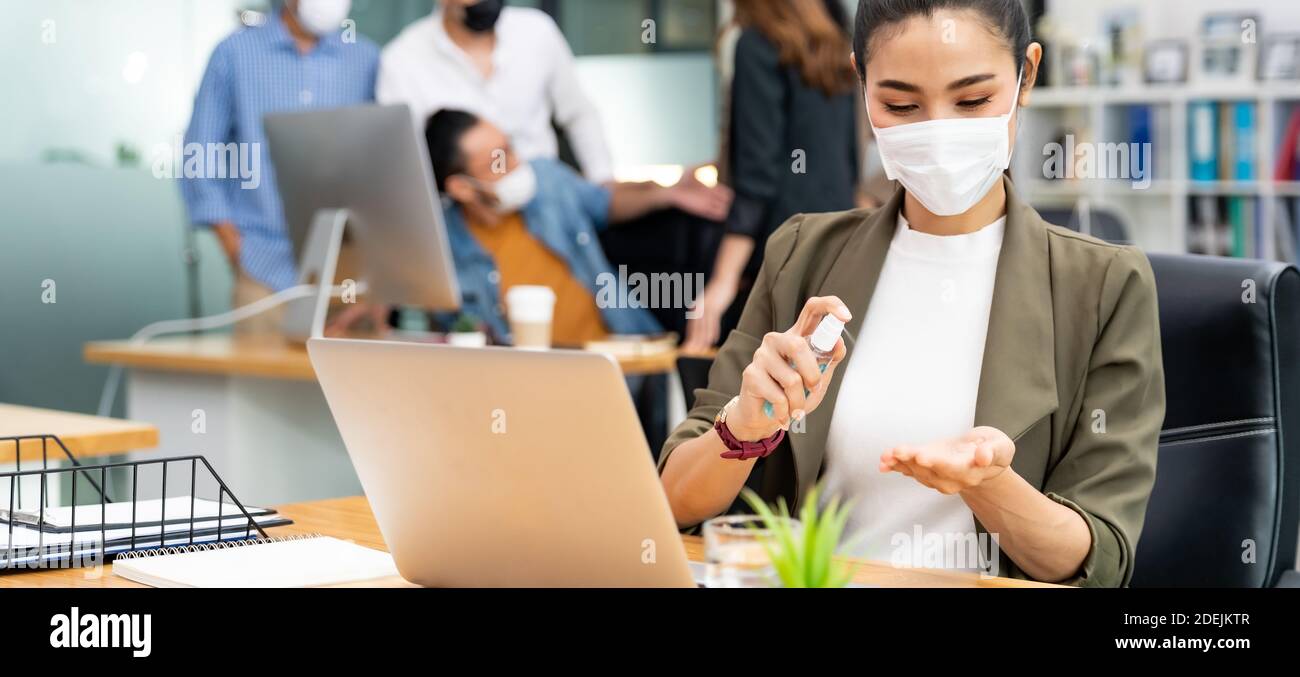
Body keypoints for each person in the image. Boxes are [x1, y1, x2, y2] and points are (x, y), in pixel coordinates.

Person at [659, 0, 1165, 587]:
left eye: (972, 100)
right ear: (861, 83)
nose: (938, 131)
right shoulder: (801, 254)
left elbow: (1097, 559)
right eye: (901, 105)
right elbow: (673, 501)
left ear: (1027, 75)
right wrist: (741, 427)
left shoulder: (1106, 287)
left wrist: (988, 486)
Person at [424, 109, 730, 345]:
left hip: (625, 351)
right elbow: (455, 333)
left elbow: (604, 202)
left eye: (509, 149)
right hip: (532, 390)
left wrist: (665, 193)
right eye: (497, 162)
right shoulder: (442, 250)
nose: (514, 164)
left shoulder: (547, 179)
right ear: (461, 188)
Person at [180, 0, 379, 334]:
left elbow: (382, 165)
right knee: (258, 386)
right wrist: (232, 242)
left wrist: (377, 280)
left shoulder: (366, 59)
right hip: (262, 268)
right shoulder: (235, 53)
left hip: (346, 276)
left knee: (351, 387)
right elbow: (200, 152)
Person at [683, 0, 862, 352]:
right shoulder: (833, 45)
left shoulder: (757, 45)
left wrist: (722, 281)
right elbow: (847, 158)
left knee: (757, 388)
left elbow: (757, 178)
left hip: (782, 253)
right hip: (840, 241)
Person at [378, 0, 614, 183]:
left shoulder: (537, 31)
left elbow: (579, 114)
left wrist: (602, 178)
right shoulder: (402, 60)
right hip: (464, 211)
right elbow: (404, 166)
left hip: (547, 191)